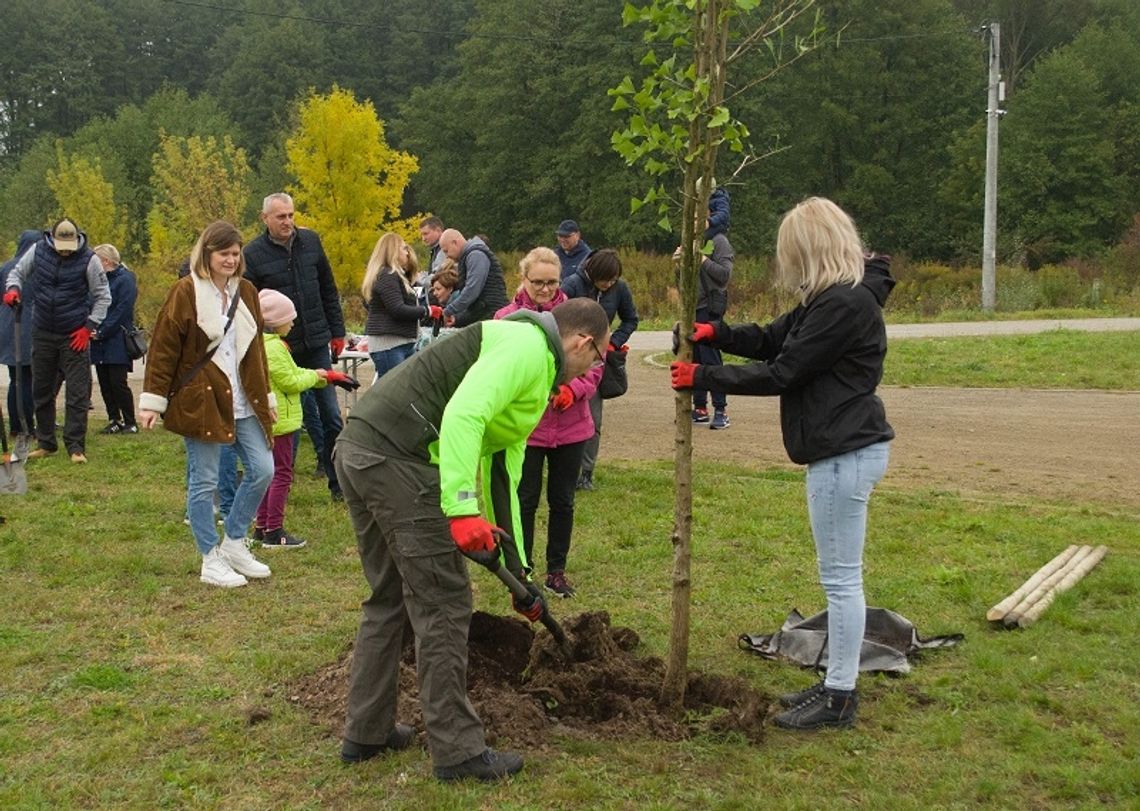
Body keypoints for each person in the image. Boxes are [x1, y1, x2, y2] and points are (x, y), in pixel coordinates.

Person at [334, 297, 610, 782]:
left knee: (390, 598)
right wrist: (462, 509)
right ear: (582, 342)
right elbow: (464, 414)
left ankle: (367, 731)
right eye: (598, 357)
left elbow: (505, 471)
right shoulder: (526, 348)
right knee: (442, 601)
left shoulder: (529, 361)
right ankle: (458, 752)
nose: (594, 368)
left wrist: (520, 574)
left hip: (361, 448)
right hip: (399, 458)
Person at [670, 197, 895, 730]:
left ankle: (840, 696)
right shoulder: (829, 299)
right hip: (839, 448)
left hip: (843, 453)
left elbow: (783, 371)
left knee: (841, 582)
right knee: (839, 579)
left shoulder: (844, 305)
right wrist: (718, 335)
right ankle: (836, 682)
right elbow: (773, 339)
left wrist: (703, 378)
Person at [138, 221, 276, 589]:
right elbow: (164, 349)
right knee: (205, 481)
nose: (231, 260)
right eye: (224, 253)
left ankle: (233, 541)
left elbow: (257, 351)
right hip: (202, 398)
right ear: (208, 254)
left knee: (263, 468)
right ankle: (209, 556)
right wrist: (152, 401)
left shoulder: (246, 291)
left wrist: (269, 398)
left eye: (235, 253)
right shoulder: (185, 291)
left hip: (245, 396)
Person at [495, 247, 601, 598]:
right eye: (537, 282)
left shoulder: (578, 315)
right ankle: (522, 570)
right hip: (528, 428)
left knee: (563, 500)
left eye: (551, 282)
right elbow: (500, 370)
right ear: (523, 278)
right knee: (524, 500)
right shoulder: (507, 318)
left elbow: (596, 363)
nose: (545, 289)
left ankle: (557, 570)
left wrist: (575, 388)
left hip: (571, 427)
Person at [243, 192, 347, 502]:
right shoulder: (253, 254)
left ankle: (339, 484)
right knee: (287, 420)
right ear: (265, 219)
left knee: (330, 415)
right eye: (280, 217)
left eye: (290, 215)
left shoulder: (311, 242)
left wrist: (337, 332)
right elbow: (249, 306)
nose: (288, 221)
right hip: (280, 347)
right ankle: (277, 488)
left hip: (315, 340)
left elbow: (328, 288)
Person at [255, 288, 358, 549]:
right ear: (277, 321)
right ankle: (274, 531)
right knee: (281, 474)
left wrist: (322, 374)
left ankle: (261, 525)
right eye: (290, 318)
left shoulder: (265, 346)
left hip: (272, 421)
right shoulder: (275, 348)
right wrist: (317, 377)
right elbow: (290, 381)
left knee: (268, 474)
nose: (293, 322)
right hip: (282, 422)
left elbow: (294, 371)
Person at [3, 218, 111, 464]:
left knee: (77, 393)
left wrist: (89, 327)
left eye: (69, 246)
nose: (65, 251)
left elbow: (103, 296)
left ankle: (75, 447)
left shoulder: (89, 259)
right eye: (61, 245)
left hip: (74, 335)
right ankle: (46, 443)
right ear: (51, 239)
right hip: (42, 331)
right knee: (41, 390)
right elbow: (18, 273)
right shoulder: (38, 250)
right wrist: (13, 289)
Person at [560, 248, 639, 490]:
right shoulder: (572, 285)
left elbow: (630, 318)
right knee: (565, 414)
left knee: (592, 419)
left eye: (614, 280)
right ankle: (564, 469)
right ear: (594, 274)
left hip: (597, 360)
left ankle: (586, 473)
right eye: (607, 280)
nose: (610, 284)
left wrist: (613, 342)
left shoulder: (619, 289)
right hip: (569, 359)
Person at [674, 228, 734, 429]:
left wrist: (702, 259)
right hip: (691, 309)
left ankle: (721, 410)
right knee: (695, 358)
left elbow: (724, 275)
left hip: (710, 310)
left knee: (711, 359)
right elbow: (683, 285)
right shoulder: (690, 240)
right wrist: (679, 266)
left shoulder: (719, 241)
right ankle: (700, 408)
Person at [361, 232, 443, 378]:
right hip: (390, 345)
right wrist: (427, 311)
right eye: (404, 248)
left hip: (398, 343)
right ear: (394, 251)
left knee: (399, 393)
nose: (407, 252)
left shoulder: (390, 275)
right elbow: (397, 309)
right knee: (393, 396)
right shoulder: (387, 275)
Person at [90, 244, 140, 434]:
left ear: (106, 261)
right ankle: (114, 419)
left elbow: (123, 309)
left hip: (117, 336)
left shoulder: (125, 279)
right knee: (104, 381)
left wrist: (103, 330)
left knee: (118, 381)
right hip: (99, 338)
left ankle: (130, 421)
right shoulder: (98, 281)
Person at [0, 230, 41, 437]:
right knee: (27, 379)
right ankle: (26, 426)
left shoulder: (6, 267)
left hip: (8, 328)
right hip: (27, 328)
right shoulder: (37, 268)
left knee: (15, 380)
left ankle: (16, 426)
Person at [437, 228, 508, 327]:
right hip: (485, 313)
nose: (447, 256)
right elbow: (476, 303)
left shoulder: (475, 255)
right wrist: (457, 319)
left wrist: (449, 310)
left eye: (446, 251)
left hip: (493, 315)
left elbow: (472, 291)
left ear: (454, 243)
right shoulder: (470, 255)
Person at [417, 215, 447, 284]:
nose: (423, 239)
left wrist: (417, 277)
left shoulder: (444, 249)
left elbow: (436, 279)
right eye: (422, 235)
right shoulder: (436, 249)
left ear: (438, 230)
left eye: (426, 234)